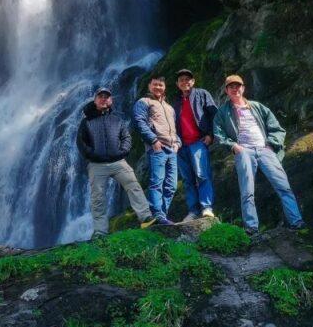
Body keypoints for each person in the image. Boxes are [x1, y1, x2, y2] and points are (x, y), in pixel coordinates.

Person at [213, 74, 306, 234]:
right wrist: (233, 145)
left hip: (264, 149)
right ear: (226, 91)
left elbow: (276, 128)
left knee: (283, 186)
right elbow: (218, 133)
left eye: (238, 86)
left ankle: (296, 222)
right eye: (231, 87)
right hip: (244, 151)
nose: (235, 89)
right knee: (247, 190)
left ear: (243, 88)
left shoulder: (257, 106)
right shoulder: (222, 112)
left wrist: (271, 145)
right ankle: (251, 228)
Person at [77, 87, 156, 237]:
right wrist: (92, 155)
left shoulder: (117, 120)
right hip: (96, 165)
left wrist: (122, 152)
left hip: (119, 162)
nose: (103, 99)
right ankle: (100, 231)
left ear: (111, 100)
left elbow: (126, 138)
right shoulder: (87, 121)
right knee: (97, 198)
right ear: (95, 100)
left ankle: (145, 217)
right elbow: (81, 142)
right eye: (100, 96)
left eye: (106, 97)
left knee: (134, 186)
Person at [132, 76, 180, 225]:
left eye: (160, 85)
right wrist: (153, 140)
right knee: (157, 182)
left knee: (171, 185)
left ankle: (161, 216)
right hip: (157, 148)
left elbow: (173, 128)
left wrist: (178, 142)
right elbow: (139, 122)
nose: (158, 87)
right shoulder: (143, 102)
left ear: (164, 87)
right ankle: (157, 214)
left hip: (172, 149)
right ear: (149, 86)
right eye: (155, 85)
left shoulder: (169, 107)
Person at [171, 69, 218, 221]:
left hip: (198, 141)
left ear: (193, 81)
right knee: (187, 180)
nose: (185, 82)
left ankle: (206, 207)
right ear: (177, 84)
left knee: (202, 175)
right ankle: (193, 211)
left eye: (188, 79)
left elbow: (214, 114)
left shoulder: (202, 94)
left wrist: (211, 134)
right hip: (181, 145)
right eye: (181, 80)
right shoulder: (175, 100)